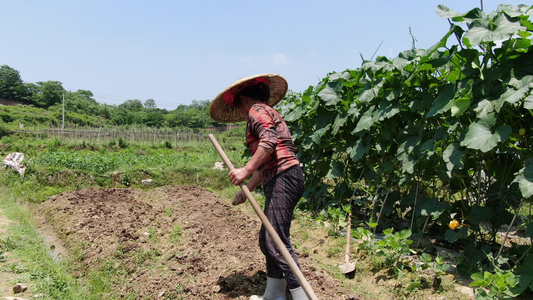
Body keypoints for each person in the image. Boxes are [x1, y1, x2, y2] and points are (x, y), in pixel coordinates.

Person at [209, 74, 308, 300]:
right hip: (280, 177)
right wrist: (248, 188)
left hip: (285, 177)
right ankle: (274, 294)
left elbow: (269, 142)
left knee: (276, 241)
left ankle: (302, 296)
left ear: (243, 99)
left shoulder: (257, 111)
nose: (241, 113)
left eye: (237, 106)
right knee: (267, 239)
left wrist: (245, 170)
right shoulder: (263, 111)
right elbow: (266, 164)